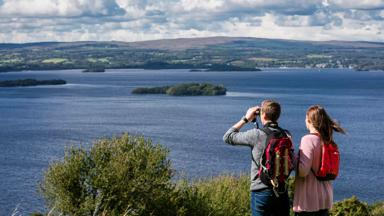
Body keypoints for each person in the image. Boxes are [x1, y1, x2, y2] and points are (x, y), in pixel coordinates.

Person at [223, 99, 291, 216]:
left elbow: (228, 137)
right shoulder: (286, 135)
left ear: (262, 114)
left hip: (261, 191)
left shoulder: (256, 134)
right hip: (281, 191)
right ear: (278, 116)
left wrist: (246, 119)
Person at [293, 105, 346, 216]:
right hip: (325, 197)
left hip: (309, 200)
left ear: (309, 121)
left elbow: (303, 171)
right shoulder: (328, 140)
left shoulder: (308, 139)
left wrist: (292, 156)